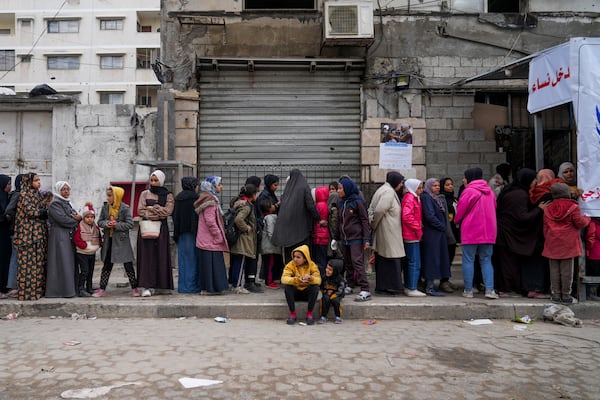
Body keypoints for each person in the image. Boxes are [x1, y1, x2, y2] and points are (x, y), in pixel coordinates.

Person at [495, 169, 549, 298]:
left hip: (505, 232)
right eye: (534, 179)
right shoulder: (520, 195)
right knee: (509, 264)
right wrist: (538, 210)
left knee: (508, 262)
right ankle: (508, 289)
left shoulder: (511, 191)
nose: (535, 182)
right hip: (508, 234)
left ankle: (507, 288)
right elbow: (522, 217)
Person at [542, 183, 591, 305]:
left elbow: (545, 228)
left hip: (552, 242)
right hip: (568, 243)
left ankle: (556, 295)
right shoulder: (573, 207)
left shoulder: (548, 208)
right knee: (566, 271)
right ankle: (566, 296)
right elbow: (580, 223)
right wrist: (588, 218)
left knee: (554, 270)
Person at [455, 167, 499, 299]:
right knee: (486, 260)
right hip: (489, 231)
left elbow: (460, 211)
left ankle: (468, 290)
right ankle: (489, 290)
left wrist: (457, 221)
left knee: (468, 259)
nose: (463, 179)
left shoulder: (469, 191)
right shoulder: (490, 192)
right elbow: (495, 208)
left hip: (471, 231)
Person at [94, 186, 138, 297]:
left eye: (110, 195)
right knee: (107, 265)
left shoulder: (124, 208)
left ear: (116, 196)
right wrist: (106, 224)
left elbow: (130, 224)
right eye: (107, 195)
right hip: (109, 240)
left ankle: (134, 288)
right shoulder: (105, 208)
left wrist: (116, 225)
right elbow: (100, 221)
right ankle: (102, 288)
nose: (108, 198)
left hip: (122, 241)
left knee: (128, 264)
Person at [271, 169, 323, 263]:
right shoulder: (304, 186)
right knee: (301, 254)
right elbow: (310, 205)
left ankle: (288, 275)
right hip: (301, 230)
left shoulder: (288, 189)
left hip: (286, 230)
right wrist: (318, 218)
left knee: (289, 256)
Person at [333, 177, 371, 302]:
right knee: (348, 262)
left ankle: (365, 289)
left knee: (357, 262)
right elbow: (339, 221)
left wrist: (366, 239)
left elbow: (365, 220)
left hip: (356, 238)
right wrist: (335, 237)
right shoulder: (340, 202)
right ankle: (350, 284)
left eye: (340, 188)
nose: (338, 191)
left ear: (347, 189)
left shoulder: (357, 202)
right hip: (345, 238)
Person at [137, 170, 174, 297]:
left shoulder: (168, 195)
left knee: (161, 256)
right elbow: (140, 211)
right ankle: (146, 286)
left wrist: (154, 208)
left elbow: (168, 211)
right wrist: (154, 214)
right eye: (152, 180)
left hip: (161, 230)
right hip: (147, 228)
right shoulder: (144, 194)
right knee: (147, 258)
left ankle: (161, 285)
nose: (153, 183)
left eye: (156, 180)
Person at [368, 171, 405, 296]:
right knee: (391, 259)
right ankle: (390, 287)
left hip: (386, 231)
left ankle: (384, 286)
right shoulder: (388, 192)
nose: (401, 185)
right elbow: (380, 210)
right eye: (400, 182)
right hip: (388, 231)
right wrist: (374, 223)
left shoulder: (383, 189)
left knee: (384, 259)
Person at [14, 173, 48, 301]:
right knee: (28, 265)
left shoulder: (37, 194)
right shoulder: (24, 195)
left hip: (38, 235)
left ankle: (37, 292)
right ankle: (27, 294)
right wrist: (43, 212)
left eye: (39, 180)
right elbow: (30, 211)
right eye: (36, 180)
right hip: (27, 236)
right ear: (29, 182)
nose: (39, 182)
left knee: (38, 264)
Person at [194, 176, 229, 295]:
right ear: (212, 186)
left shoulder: (206, 198)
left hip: (205, 239)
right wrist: (218, 235)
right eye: (219, 184)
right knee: (213, 266)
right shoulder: (210, 201)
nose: (221, 187)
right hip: (210, 240)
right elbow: (210, 221)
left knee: (208, 265)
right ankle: (211, 289)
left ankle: (208, 288)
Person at [46, 181, 81, 298]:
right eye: (63, 189)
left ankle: (69, 289)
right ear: (58, 190)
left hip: (67, 235)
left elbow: (75, 215)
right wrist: (77, 220)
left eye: (67, 189)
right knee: (61, 263)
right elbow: (63, 220)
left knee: (67, 263)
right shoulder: (55, 204)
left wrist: (78, 217)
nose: (66, 191)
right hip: (59, 236)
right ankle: (60, 291)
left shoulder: (66, 203)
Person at [420, 178, 450, 297]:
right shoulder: (427, 198)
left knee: (436, 258)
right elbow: (429, 216)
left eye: (438, 185)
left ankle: (430, 285)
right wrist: (441, 225)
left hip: (437, 234)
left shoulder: (434, 198)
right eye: (434, 186)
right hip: (432, 234)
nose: (437, 187)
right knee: (432, 259)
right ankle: (429, 287)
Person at [228, 184, 258, 294]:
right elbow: (238, 220)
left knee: (236, 262)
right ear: (253, 195)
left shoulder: (239, 202)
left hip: (237, 238)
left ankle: (233, 283)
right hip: (243, 239)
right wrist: (247, 228)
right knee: (240, 263)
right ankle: (237, 286)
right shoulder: (246, 206)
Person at [281, 245, 322, 325]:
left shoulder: (312, 265)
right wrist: (295, 280)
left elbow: (319, 280)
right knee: (287, 287)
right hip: (295, 293)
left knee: (315, 287)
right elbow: (284, 279)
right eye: (294, 257)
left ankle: (309, 314)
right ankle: (293, 314)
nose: (295, 259)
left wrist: (311, 278)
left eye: (298, 257)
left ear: (305, 258)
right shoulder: (290, 265)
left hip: (307, 293)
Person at [173, 176, 200, 293]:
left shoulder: (178, 198)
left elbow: (175, 217)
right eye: (197, 185)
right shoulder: (195, 198)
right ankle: (192, 286)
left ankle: (183, 287)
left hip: (180, 233)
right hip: (193, 233)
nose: (198, 187)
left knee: (183, 260)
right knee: (193, 260)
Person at [401, 178, 425, 297]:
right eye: (419, 188)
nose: (421, 190)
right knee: (414, 262)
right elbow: (407, 216)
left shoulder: (413, 197)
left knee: (412, 262)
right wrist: (418, 227)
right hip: (411, 235)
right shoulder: (410, 198)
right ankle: (411, 287)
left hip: (412, 234)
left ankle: (410, 286)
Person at [73, 202, 102, 297]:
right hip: (82, 253)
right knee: (84, 271)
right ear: (84, 217)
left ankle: (89, 287)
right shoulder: (80, 226)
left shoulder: (95, 227)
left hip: (92, 252)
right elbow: (76, 239)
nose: (90, 219)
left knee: (90, 271)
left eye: (92, 217)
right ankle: (80, 288)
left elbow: (99, 236)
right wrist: (84, 245)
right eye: (87, 217)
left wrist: (100, 244)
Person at [4, 174, 24, 298]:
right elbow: (9, 210)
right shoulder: (17, 194)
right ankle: (12, 286)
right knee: (15, 257)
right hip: (15, 232)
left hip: (17, 231)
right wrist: (18, 221)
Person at [259, 197, 283, 288]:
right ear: (269, 208)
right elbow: (270, 232)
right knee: (270, 265)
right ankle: (269, 282)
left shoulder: (267, 217)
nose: (274, 206)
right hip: (270, 247)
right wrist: (276, 241)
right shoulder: (269, 218)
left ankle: (270, 280)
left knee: (270, 264)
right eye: (272, 205)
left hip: (269, 247)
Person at [318, 258, 346, 324]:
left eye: (330, 270)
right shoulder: (324, 277)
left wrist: (336, 294)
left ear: (335, 271)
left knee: (336, 301)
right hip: (326, 293)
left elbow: (341, 289)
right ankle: (323, 316)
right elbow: (321, 287)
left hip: (337, 294)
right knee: (325, 299)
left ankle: (338, 316)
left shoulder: (340, 279)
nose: (327, 270)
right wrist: (325, 291)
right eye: (327, 268)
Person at [312, 185, 330, 277]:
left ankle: (320, 278)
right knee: (322, 259)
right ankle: (322, 277)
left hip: (318, 236)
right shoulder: (325, 205)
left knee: (318, 259)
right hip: (323, 235)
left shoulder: (317, 205)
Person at [0, 175, 11, 298]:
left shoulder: (7, 197)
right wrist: (6, 218)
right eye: (8, 184)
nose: (10, 186)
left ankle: (3, 287)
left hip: (5, 234)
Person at [585, 217, 600, 300]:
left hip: (594, 253)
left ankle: (591, 293)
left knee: (593, 274)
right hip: (596, 253)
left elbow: (590, 238)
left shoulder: (592, 223)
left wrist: (588, 249)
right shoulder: (593, 223)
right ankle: (594, 294)